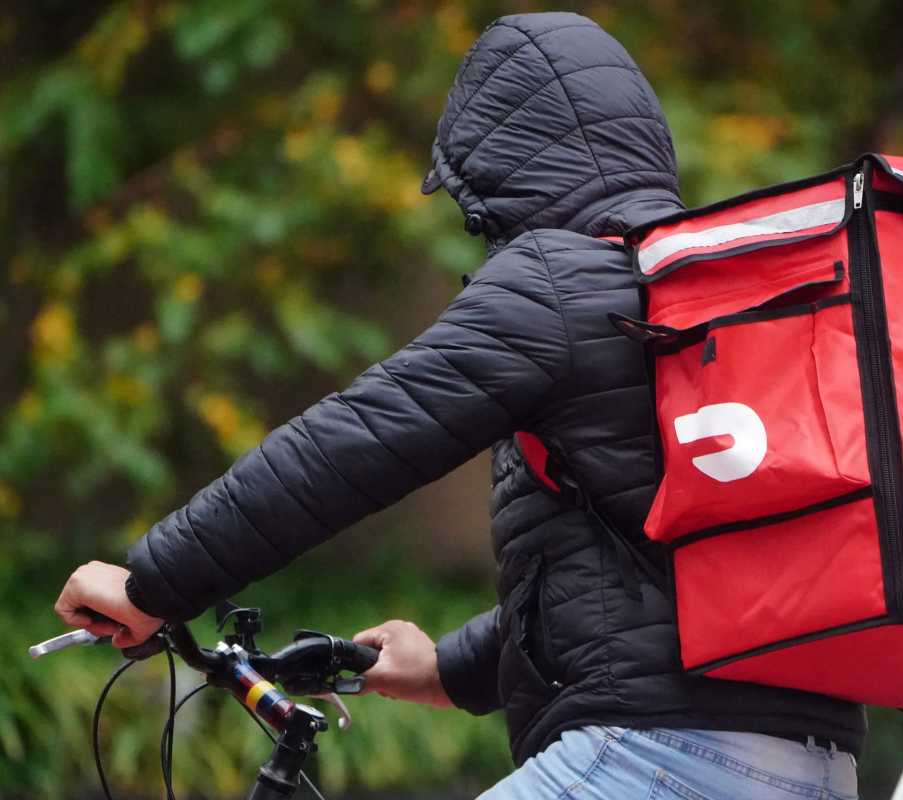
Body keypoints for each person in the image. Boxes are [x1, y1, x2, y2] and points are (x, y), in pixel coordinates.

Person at [54, 12, 861, 799]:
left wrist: (153, 581)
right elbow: (665, 579)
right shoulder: (716, 309)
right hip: (817, 765)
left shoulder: (558, 280)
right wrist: (450, 666)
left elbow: (354, 442)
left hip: (657, 757)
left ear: (501, 169)